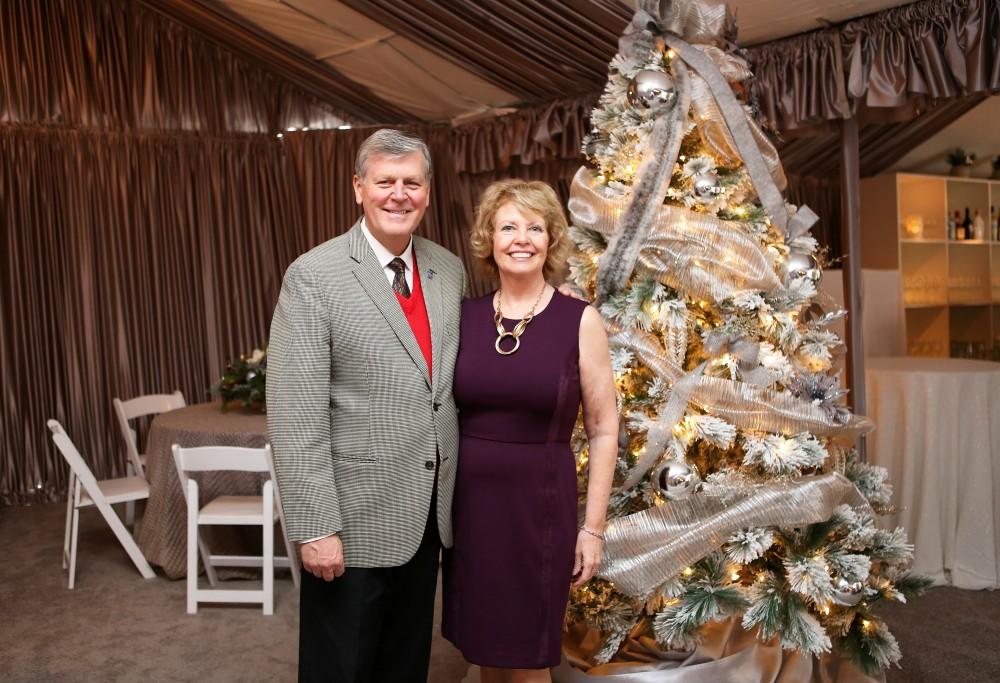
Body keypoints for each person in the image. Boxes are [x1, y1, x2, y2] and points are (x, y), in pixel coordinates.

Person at [266, 129, 466, 683]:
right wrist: (315, 527)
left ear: (428, 191)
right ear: (358, 188)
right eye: (385, 182)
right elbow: (294, 413)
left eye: (411, 183)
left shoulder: (448, 270)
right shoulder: (314, 275)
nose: (398, 195)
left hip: (427, 516)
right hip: (349, 524)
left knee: (406, 667)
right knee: (342, 670)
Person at [442, 179, 618, 682]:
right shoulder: (464, 317)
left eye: (535, 227)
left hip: (538, 509)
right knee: (485, 653)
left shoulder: (579, 320)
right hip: (471, 511)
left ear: (551, 240)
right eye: (508, 227)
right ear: (489, 240)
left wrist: (593, 528)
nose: (521, 238)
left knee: (526, 659)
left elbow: (605, 428)